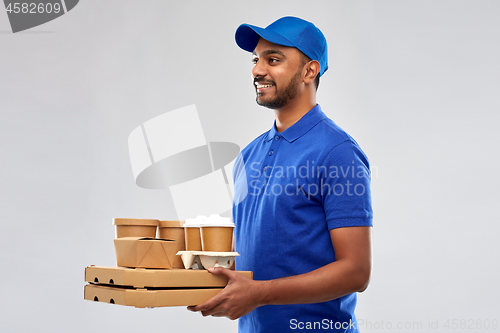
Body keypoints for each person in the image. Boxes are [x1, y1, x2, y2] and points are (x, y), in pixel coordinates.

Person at [188, 16, 373, 333]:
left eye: (273, 59)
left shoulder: (338, 152)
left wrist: (259, 293)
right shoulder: (248, 155)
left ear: (309, 71)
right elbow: (260, 252)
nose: (257, 70)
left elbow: (356, 272)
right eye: (256, 59)